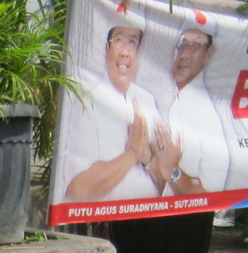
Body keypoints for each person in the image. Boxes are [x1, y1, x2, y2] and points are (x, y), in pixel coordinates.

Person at [62, 20, 169, 203]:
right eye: (119, 40)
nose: (125, 52)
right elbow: (76, 192)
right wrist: (132, 154)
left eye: (132, 42)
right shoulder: (87, 101)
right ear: (107, 49)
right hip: (107, 218)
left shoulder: (147, 100)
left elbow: (166, 177)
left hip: (147, 215)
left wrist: (149, 160)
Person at [157, 20, 230, 196]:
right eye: (182, 44)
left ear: (208, 54)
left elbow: (214, 196)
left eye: (196, 45)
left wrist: (171, 171)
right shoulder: (167, 100)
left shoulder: (206, 115)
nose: (185, 54)